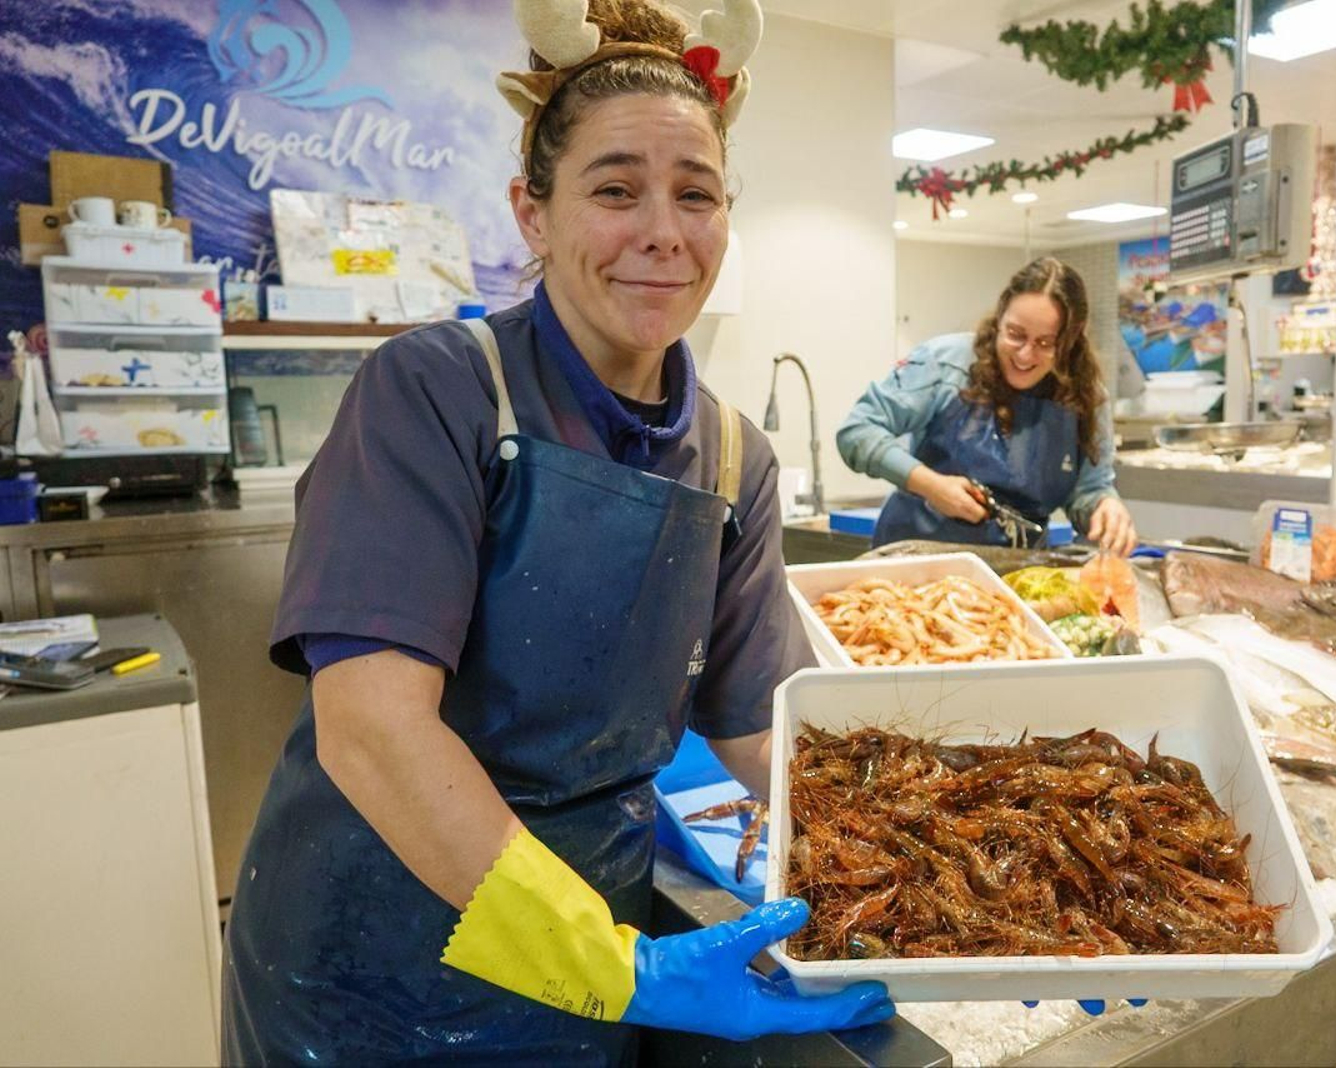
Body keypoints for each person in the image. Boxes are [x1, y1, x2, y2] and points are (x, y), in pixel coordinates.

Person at [219, 0, 892, 1061]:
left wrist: (951, 877)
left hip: (589, 965)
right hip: (370, 972)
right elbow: (373, 730)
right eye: (615, 190)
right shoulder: (437, 391)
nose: (663, 231)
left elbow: (764, 731)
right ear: (531, 214)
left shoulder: (734, 458)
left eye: (696, 193)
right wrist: (614, 966)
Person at [839, 257, 1139, 555]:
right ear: (999, 318)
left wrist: (1105, 506)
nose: (1025, 355)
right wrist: (931, 485)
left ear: (1070, 341)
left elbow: (1089, 490)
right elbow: (858, 431)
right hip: (913, 564)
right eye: (1015, 334)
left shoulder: (1086, 398)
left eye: (1045, 343)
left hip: (1016, 570)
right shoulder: (944, 364)